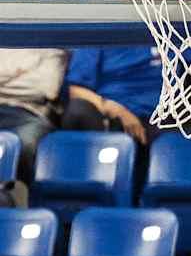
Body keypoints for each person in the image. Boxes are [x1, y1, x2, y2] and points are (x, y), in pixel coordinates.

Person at [61, 47, 164, 146]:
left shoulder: (170, 38)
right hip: (111, 116)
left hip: (162, 117)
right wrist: (118, 112)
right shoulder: (98, 36)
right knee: (78, 110)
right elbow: (76, 90)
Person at [0, 49, 68, 182]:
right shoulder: (4, 36)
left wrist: (5, 79)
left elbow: (45, 89)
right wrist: (20, 74)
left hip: (29, 112)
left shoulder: (51, 47)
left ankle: (17, 194)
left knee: (24, 144)